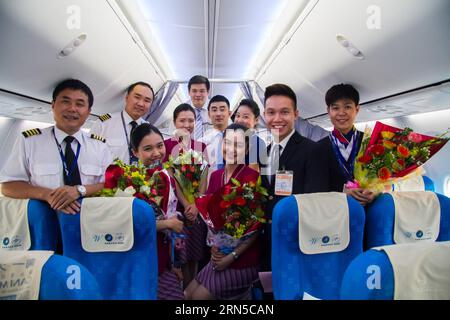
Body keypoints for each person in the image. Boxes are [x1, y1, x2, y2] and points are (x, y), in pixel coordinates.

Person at [0, 79, 112, 215]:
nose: (72, 108)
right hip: (46, 220)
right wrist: (46, 194)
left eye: (80, 104)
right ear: (53, 105)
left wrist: (79, 190)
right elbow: (8, 186)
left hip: (90, 219)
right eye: (66, 101)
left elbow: (111, 184)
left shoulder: (99, 146)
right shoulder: (30, 141)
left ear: (88, 112)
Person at [185, 123, 262, 300]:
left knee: (199, 297)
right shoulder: (215, 176)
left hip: (243, 258)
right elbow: (211, 219)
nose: (231, 149)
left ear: (248, 148)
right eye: (227, 143)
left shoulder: (252, 177)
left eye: (238, 145)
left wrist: (232, 256)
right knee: (187, 294)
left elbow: (255, 229)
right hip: (219, 254)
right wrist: (215, 247)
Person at [260, 83, 329, 272]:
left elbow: (315, 203)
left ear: (296, 114)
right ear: (264, 115)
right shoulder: (264, 153)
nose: (277, 119)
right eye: (271, 112)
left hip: (296, 244)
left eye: (284, 112)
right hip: (267, 243)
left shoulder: (312, 151)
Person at [130, 123, 185, 300]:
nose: (156, 153)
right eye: (148, 148)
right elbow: (130, 225)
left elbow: (170, 212)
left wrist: (174, 263)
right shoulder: (128, 180)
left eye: (160, 146)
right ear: (135, 152)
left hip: (163, 257)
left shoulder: (165, 176)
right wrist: (167, 224)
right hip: (139, 259)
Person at [163, 103, 209, 288]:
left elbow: (205, 176)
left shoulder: (201, 146)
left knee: (195, 254)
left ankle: (193, 290)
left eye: (191, 120)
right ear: (175, 122)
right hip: (175, 210)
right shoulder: (166, 146)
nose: (187, 124)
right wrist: (187, 204)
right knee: (179, 255)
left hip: (196, 209)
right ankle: (181, 291)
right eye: (182, 120)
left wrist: (197, 204)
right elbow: (172, 179)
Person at [317, 83, 377, 205]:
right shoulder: (318, 148)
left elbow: (382, 178)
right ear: (328, 111)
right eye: (335, 108)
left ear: (357, 109)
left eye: (347, 107)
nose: (341, 113)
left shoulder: (370, 142)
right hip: (334, 211)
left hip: (368, 209)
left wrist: (375, 191)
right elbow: (316, 186)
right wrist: (342, 190)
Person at [90, 81, 154, 164]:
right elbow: (90, 155)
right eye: (137, 97)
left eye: (147, 100)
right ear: (126, 97)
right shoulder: (104, 123)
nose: (141, 104)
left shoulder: (149, 130)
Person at [233, 98, 267, 171]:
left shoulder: (258, 144)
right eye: (238, 116)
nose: (239, 120)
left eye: (245, 117)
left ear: (256, 120)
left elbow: (251, 177)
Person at [200, 95, 232, 172]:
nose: (218, 114)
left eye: (222, 109)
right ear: (209, 114)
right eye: (214, 110)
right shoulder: (201, 142)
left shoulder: (239, 140)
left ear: (229, 113)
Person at [188, 75, 211, 141]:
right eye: (194, 91)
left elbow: (229, 130)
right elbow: (173, 136)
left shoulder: (217, 109)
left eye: (202, 91)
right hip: (187, 150)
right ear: (189, 92)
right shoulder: (181, 110)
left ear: (207, 92)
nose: (198, 95)